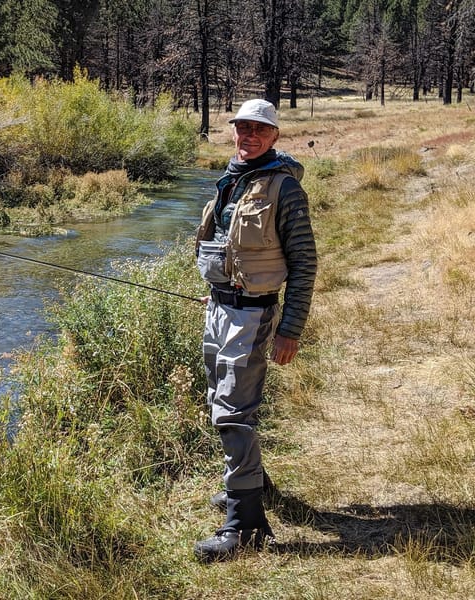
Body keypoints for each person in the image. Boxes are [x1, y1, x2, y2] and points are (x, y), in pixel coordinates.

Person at [193, 99, 317, 561]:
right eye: (242, 128)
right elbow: (230, 248)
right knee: (219, 401)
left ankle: (246, 527)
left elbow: (305, 264)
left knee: (232, 412)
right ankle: (251, 486)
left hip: (253, 315)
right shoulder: (232, 179)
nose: (248, 136)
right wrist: (219, 290)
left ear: (274, 136)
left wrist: (291, 328)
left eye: (258, 130)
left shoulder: (284, 189)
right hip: (221, 308)